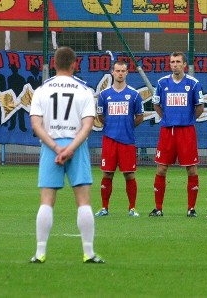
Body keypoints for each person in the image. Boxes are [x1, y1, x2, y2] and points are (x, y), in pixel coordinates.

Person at [30, 46, 103, 264]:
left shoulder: (43, 89)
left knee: (46, 201)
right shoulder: (84, 90)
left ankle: (40, 253)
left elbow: (36, 124)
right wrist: (70, 149)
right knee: (83, 201)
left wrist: (55, 147)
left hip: (50, 147)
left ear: (54, 64)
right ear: (74, 64)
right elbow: (88, 125)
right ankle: (88, 253)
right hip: (76, 146)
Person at [150, 51, 204, 217]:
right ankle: (158, 208)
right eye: (172, 61)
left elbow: (200, 108)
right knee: (161, 169)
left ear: (184, 65)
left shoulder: (193, 84)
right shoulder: (162, 83)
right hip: (167, 131)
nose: (175, 64)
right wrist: (166, 117)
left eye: (178, 61)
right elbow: (156, 105)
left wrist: (187, 119)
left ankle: (191, 209)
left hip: (186, 131)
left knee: (192, 170)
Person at [94, 60, 145, 218]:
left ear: (127, 73)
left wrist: (127, 127)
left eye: (123, 71)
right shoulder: (104, 95)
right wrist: (111, 127)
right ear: (112, 72)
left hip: (127, 140)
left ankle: (132, 208)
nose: (120, 73)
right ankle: (104, 208)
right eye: (117, 71)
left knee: (129, 174)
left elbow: (139, 117)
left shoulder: (134, 95)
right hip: (109, 140)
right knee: (107, 174)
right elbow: (101, 116)